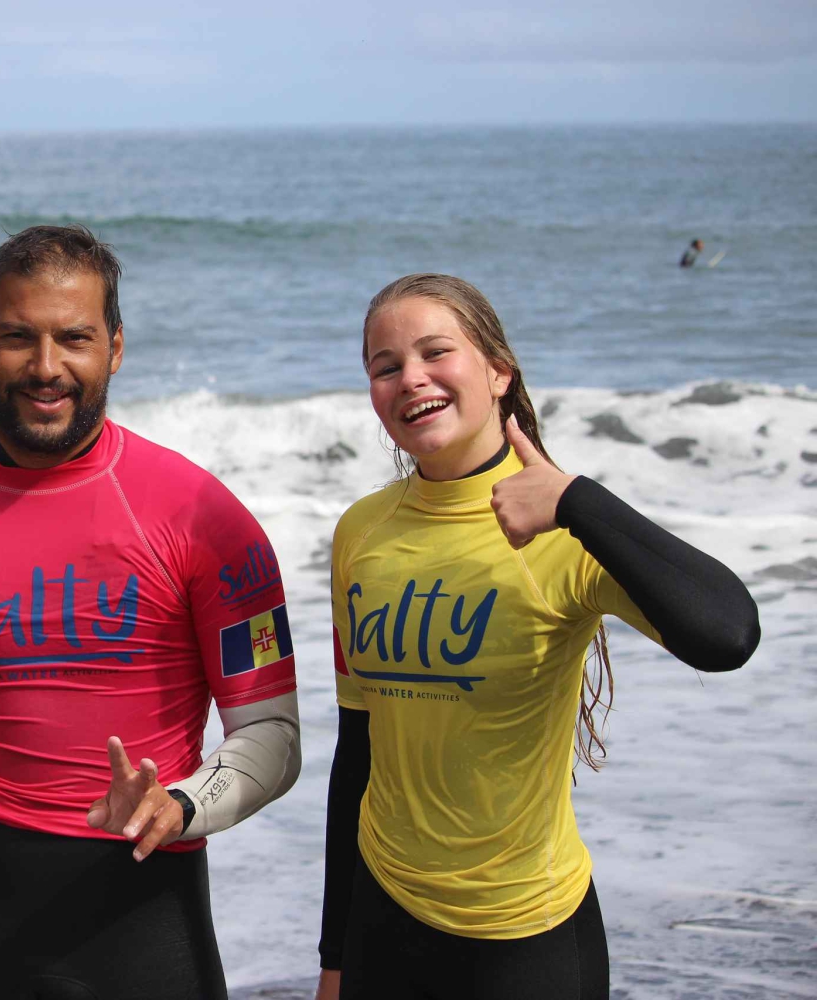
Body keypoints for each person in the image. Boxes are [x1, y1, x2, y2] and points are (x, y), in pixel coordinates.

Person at [0, 225, 302, 998]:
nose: (46, 367)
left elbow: (274, 736)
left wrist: (180, 804)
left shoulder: (205, 519)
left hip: (150, 918)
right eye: (18, 336)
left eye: (74, 338)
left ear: (115, 347)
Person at [315, 274, 760, 1000]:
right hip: (384, 918)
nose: (410, 379)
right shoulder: (361, 533)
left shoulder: (568, 531)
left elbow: (728, 633)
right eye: (385, 365)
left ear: (497, 370)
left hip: (527, 935)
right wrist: (335, 957)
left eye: (436, 352)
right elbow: (356, 748)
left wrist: (577, 499)